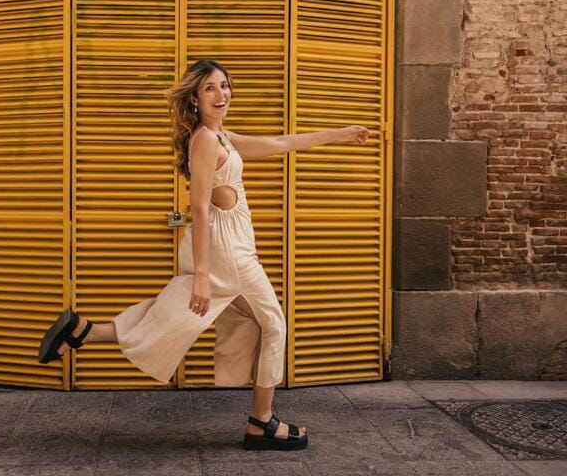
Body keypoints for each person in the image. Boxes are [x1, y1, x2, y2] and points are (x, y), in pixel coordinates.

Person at [38, 59, 370, 450]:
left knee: (170, 316)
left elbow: (281, 143)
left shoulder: (220, 137)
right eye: (210, 88)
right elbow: (197, 208)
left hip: (229, 246)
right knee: (274, 324)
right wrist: (201, 275)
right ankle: (261, 422)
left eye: (225, 86)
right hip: (228, 252)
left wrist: (340, 134)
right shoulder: (206, 140)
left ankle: (82, 331)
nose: (221, 94)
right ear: (194, 98)